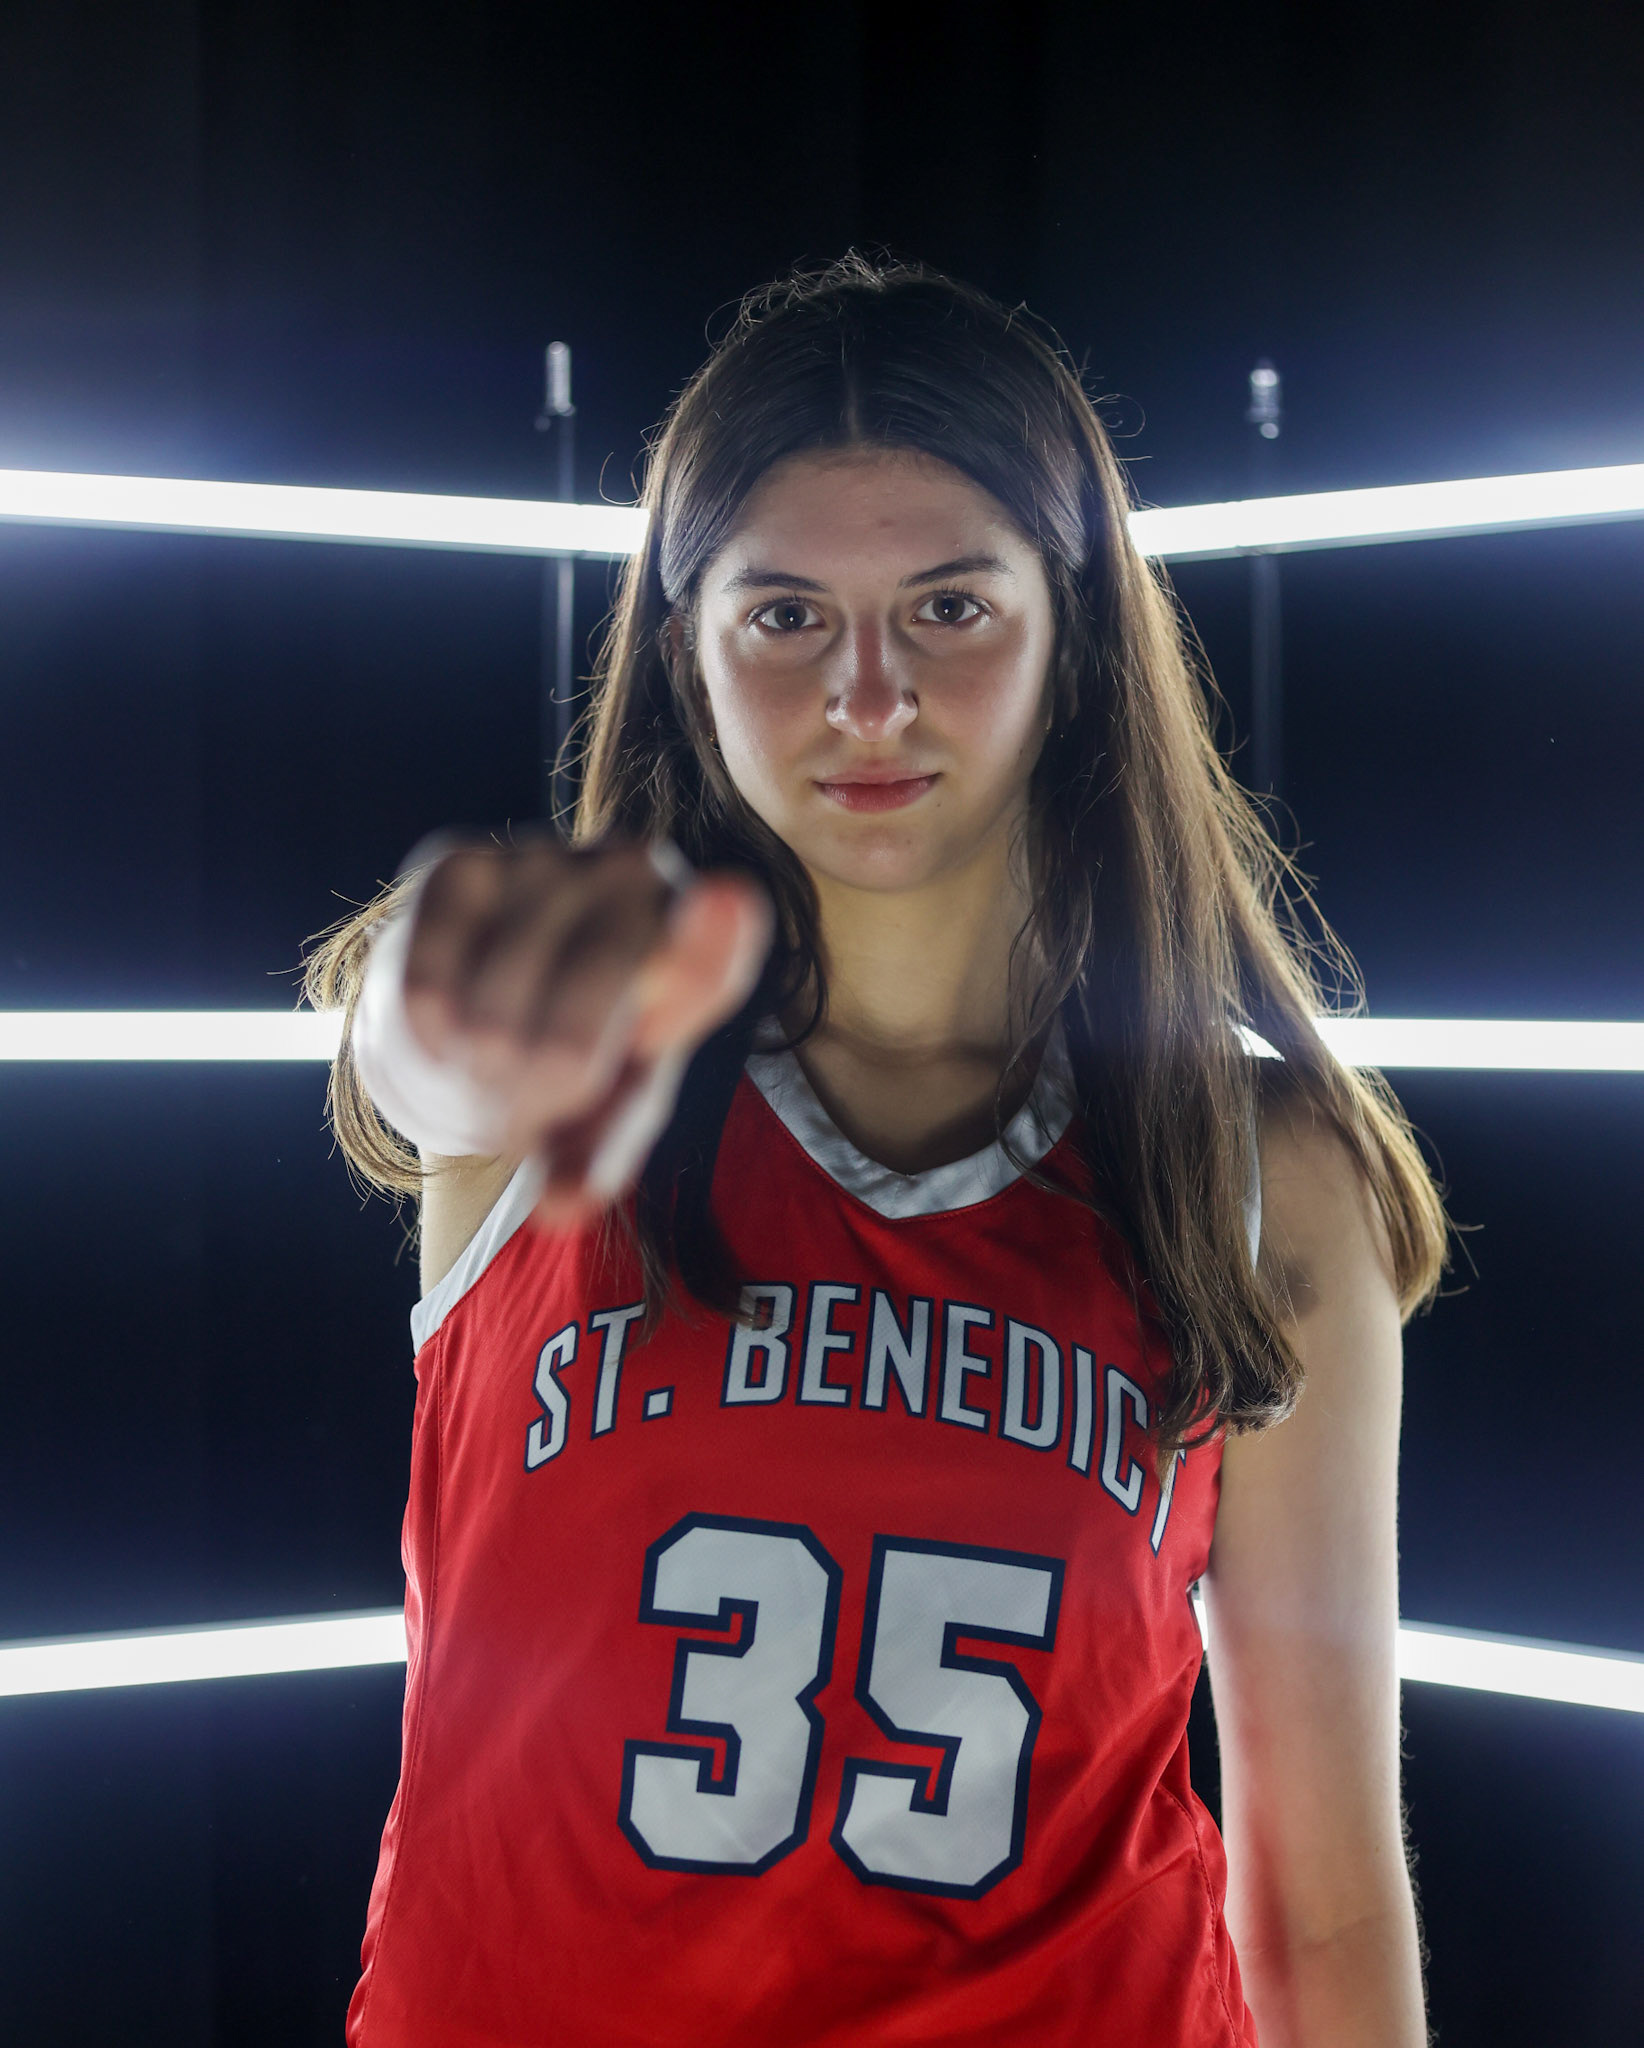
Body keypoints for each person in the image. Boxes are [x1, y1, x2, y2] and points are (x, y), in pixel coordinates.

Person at [304, 251, 1447, 2048]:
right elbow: (416, 1053)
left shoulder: (1254, 1170)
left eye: (950, 608)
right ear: (684, 653)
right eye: (785, 615)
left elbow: (1322, 1901)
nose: (867, 694)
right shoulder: (563, 1051)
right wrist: (415, 1017)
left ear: (1073, 640)